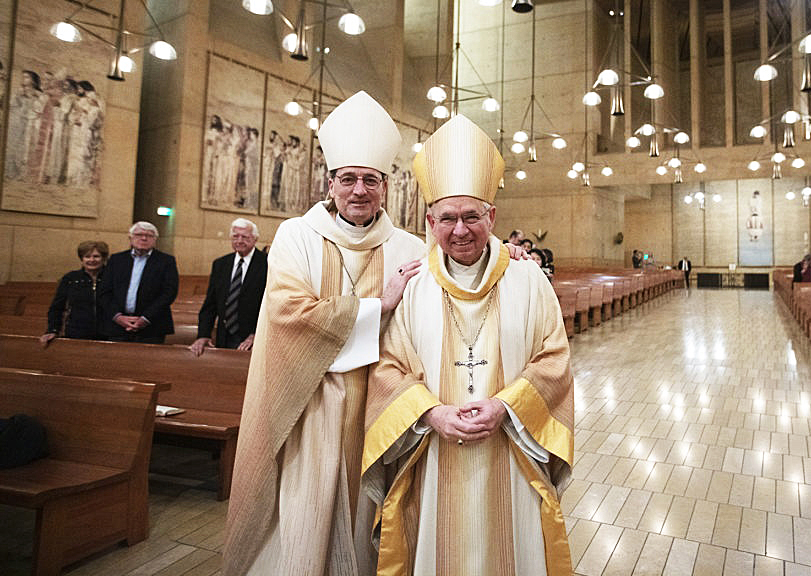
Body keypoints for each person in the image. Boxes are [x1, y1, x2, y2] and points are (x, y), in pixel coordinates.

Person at [222, 91, 426, 576]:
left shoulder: (410, 248)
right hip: (309, 403)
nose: (359, 190)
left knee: (367, 515)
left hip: (378, 403)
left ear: (385, 186)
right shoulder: (296, 235)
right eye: (348, 178)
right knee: (306, 512)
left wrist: (513, 260)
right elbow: (289, 313)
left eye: (370, 180)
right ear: (330, 183)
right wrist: (379, 306)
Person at [363, 115, 574, 575]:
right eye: (448, 218)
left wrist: (505, 407)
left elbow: (555, 360)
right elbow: (388, 368)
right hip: (434, 454)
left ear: (491, 217)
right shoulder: (414, 286)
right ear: (430, 221)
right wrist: (431, 414)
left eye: (471, 216)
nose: (460, 230)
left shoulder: (529, 279)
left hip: (511, 453)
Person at [189, 219, 268, 356]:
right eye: (235, 236)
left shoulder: (268, 263)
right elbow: (210, 304)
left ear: (255, 239)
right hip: (224, 336)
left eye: (245, 237)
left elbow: (270, 306)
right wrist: (203, 335)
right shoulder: (220, 264)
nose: (239, 241)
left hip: (253, 340)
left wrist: (257, 334)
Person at [100, 221, 179, 344]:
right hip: (117, 326)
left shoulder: (166, 261)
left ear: (155, 240)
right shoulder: (117, 259)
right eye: (139, 235)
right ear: (130, 238)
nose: (144, 238)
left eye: (149, 235)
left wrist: (145, 318)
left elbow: (169, 292)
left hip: (152, 326)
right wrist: (117, 316)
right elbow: (105, 291)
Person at [40, 240, 110, 346]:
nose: (91, 260)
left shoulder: (112, 277)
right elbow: (57, 307)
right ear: (82, 259)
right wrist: (53, 330)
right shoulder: (71, 278)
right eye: (87, 256)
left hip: (107, 334)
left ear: (103, 258)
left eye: (96, 256)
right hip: (77, 333)